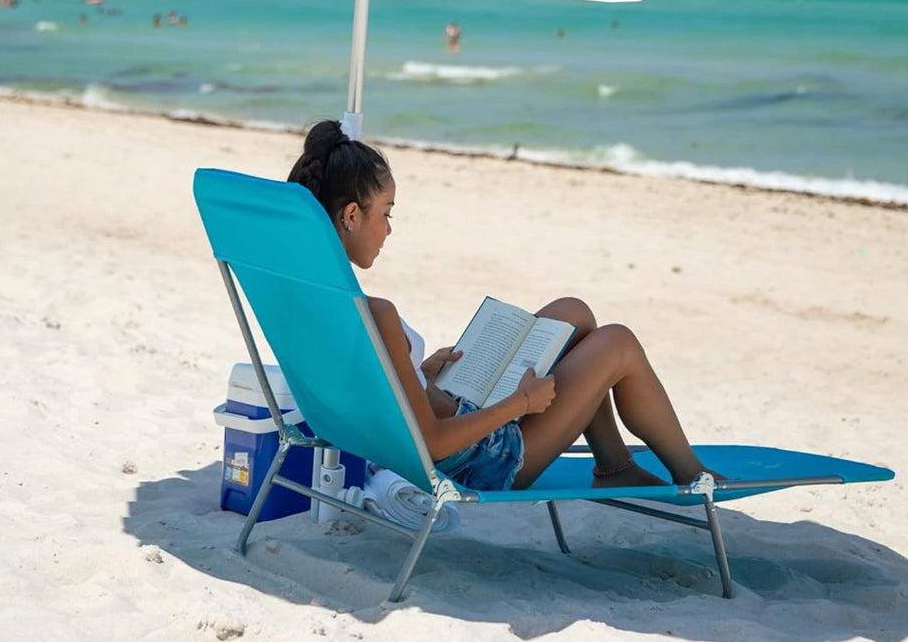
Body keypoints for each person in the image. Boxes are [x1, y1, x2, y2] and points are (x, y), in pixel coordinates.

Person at [288, 120, 719, 493]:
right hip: (480, 461)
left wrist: (419, 376)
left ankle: (614, 466)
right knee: (617, 343)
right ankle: (694, 476)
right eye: (386, 213)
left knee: (574, 313)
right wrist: (520, 404)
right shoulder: (376, 315)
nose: (388, 229)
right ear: (349, 215)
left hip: (447, 421)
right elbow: (433, 442)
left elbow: (373, 397)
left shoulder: (314, 302)